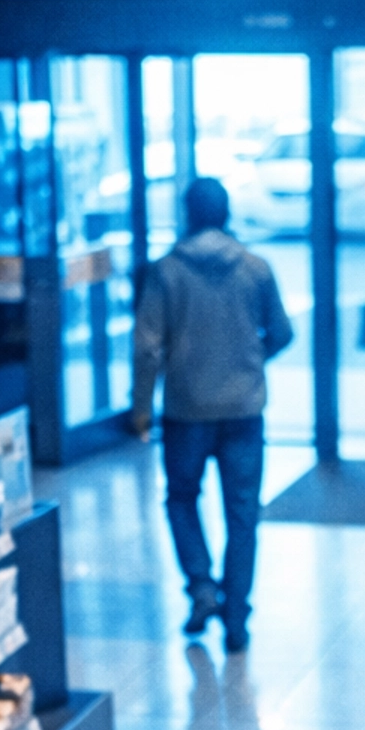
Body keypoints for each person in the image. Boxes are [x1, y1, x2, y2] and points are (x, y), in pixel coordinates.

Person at [132, 175, 293, 651]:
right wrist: (250, 359)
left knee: (181, 498)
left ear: (187, 214)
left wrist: (141, 409)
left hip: (185, 409)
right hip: (244, 408)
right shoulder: (255, 268)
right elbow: (281, 333)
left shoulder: (166, 272)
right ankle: (237, 616)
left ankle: (202, 587)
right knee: (242, 511)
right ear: (226, 214)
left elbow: (146, 347)